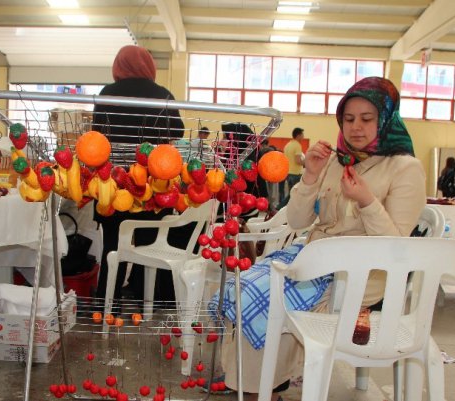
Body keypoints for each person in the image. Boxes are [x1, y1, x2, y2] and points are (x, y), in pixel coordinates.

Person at [209, 77, 425, 398]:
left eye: (367, 119)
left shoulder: (405, 168)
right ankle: (258, 381)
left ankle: (261, 385)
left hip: (359, 284)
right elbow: (297, 220)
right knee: (246, 286)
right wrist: (310, 176)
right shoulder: (337, 160)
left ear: (386, 120)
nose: (356, 128)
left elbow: (395, 249)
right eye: (348, 119)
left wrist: (367, 202)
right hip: (314, 262)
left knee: (272, 294)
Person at [90, 45, 187, 306]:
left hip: (113, 181)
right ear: (149, 66)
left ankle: (108, 301)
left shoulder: (107, 94)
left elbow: (96, 133)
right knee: (149, 244)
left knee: (113, 245)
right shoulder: (162, 94)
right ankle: (149, 300)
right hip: (152, 182)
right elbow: (177, 132)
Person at [278, 127, 305, 207]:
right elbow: (298, 161)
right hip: (295, 173)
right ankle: (279, 207)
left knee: (291, 193)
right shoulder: (297, 145)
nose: (303, 136)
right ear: (298, 135)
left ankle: (283, 208)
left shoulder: (288, 145)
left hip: (288, 172)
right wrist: (307, 162)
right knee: (293, 194)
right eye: (302, 134)